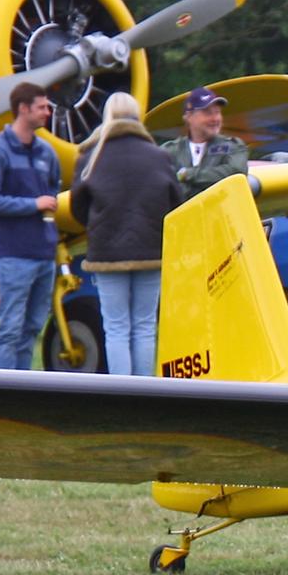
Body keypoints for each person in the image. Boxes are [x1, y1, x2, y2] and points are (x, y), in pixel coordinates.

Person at [72, 92, 181, 375]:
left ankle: (121, 391)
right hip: (151, 251)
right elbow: (175, 202)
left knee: (115, 327)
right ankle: (145, 390)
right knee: (145, 325)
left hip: (106, 252)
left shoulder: (91, 156)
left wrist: (96, 227)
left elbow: (76, 208)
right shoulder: (159, 156)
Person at [0, 82, 61, 369]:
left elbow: (54, 190)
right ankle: (0, 392)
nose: (47, 112)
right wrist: (32, 205)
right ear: (23, 109)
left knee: (33, 328)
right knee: (10, 329)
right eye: (41, 107)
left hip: (43, 253)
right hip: (13, 254)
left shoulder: (47, 153)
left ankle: (24, 388)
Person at [160, 84, 249, 202]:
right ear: (189, 117)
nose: (215, 119)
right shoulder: (169, 150)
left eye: (217, 112)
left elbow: (236, 173)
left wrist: (187, 174)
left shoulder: (233, 146)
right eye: (208, 113)